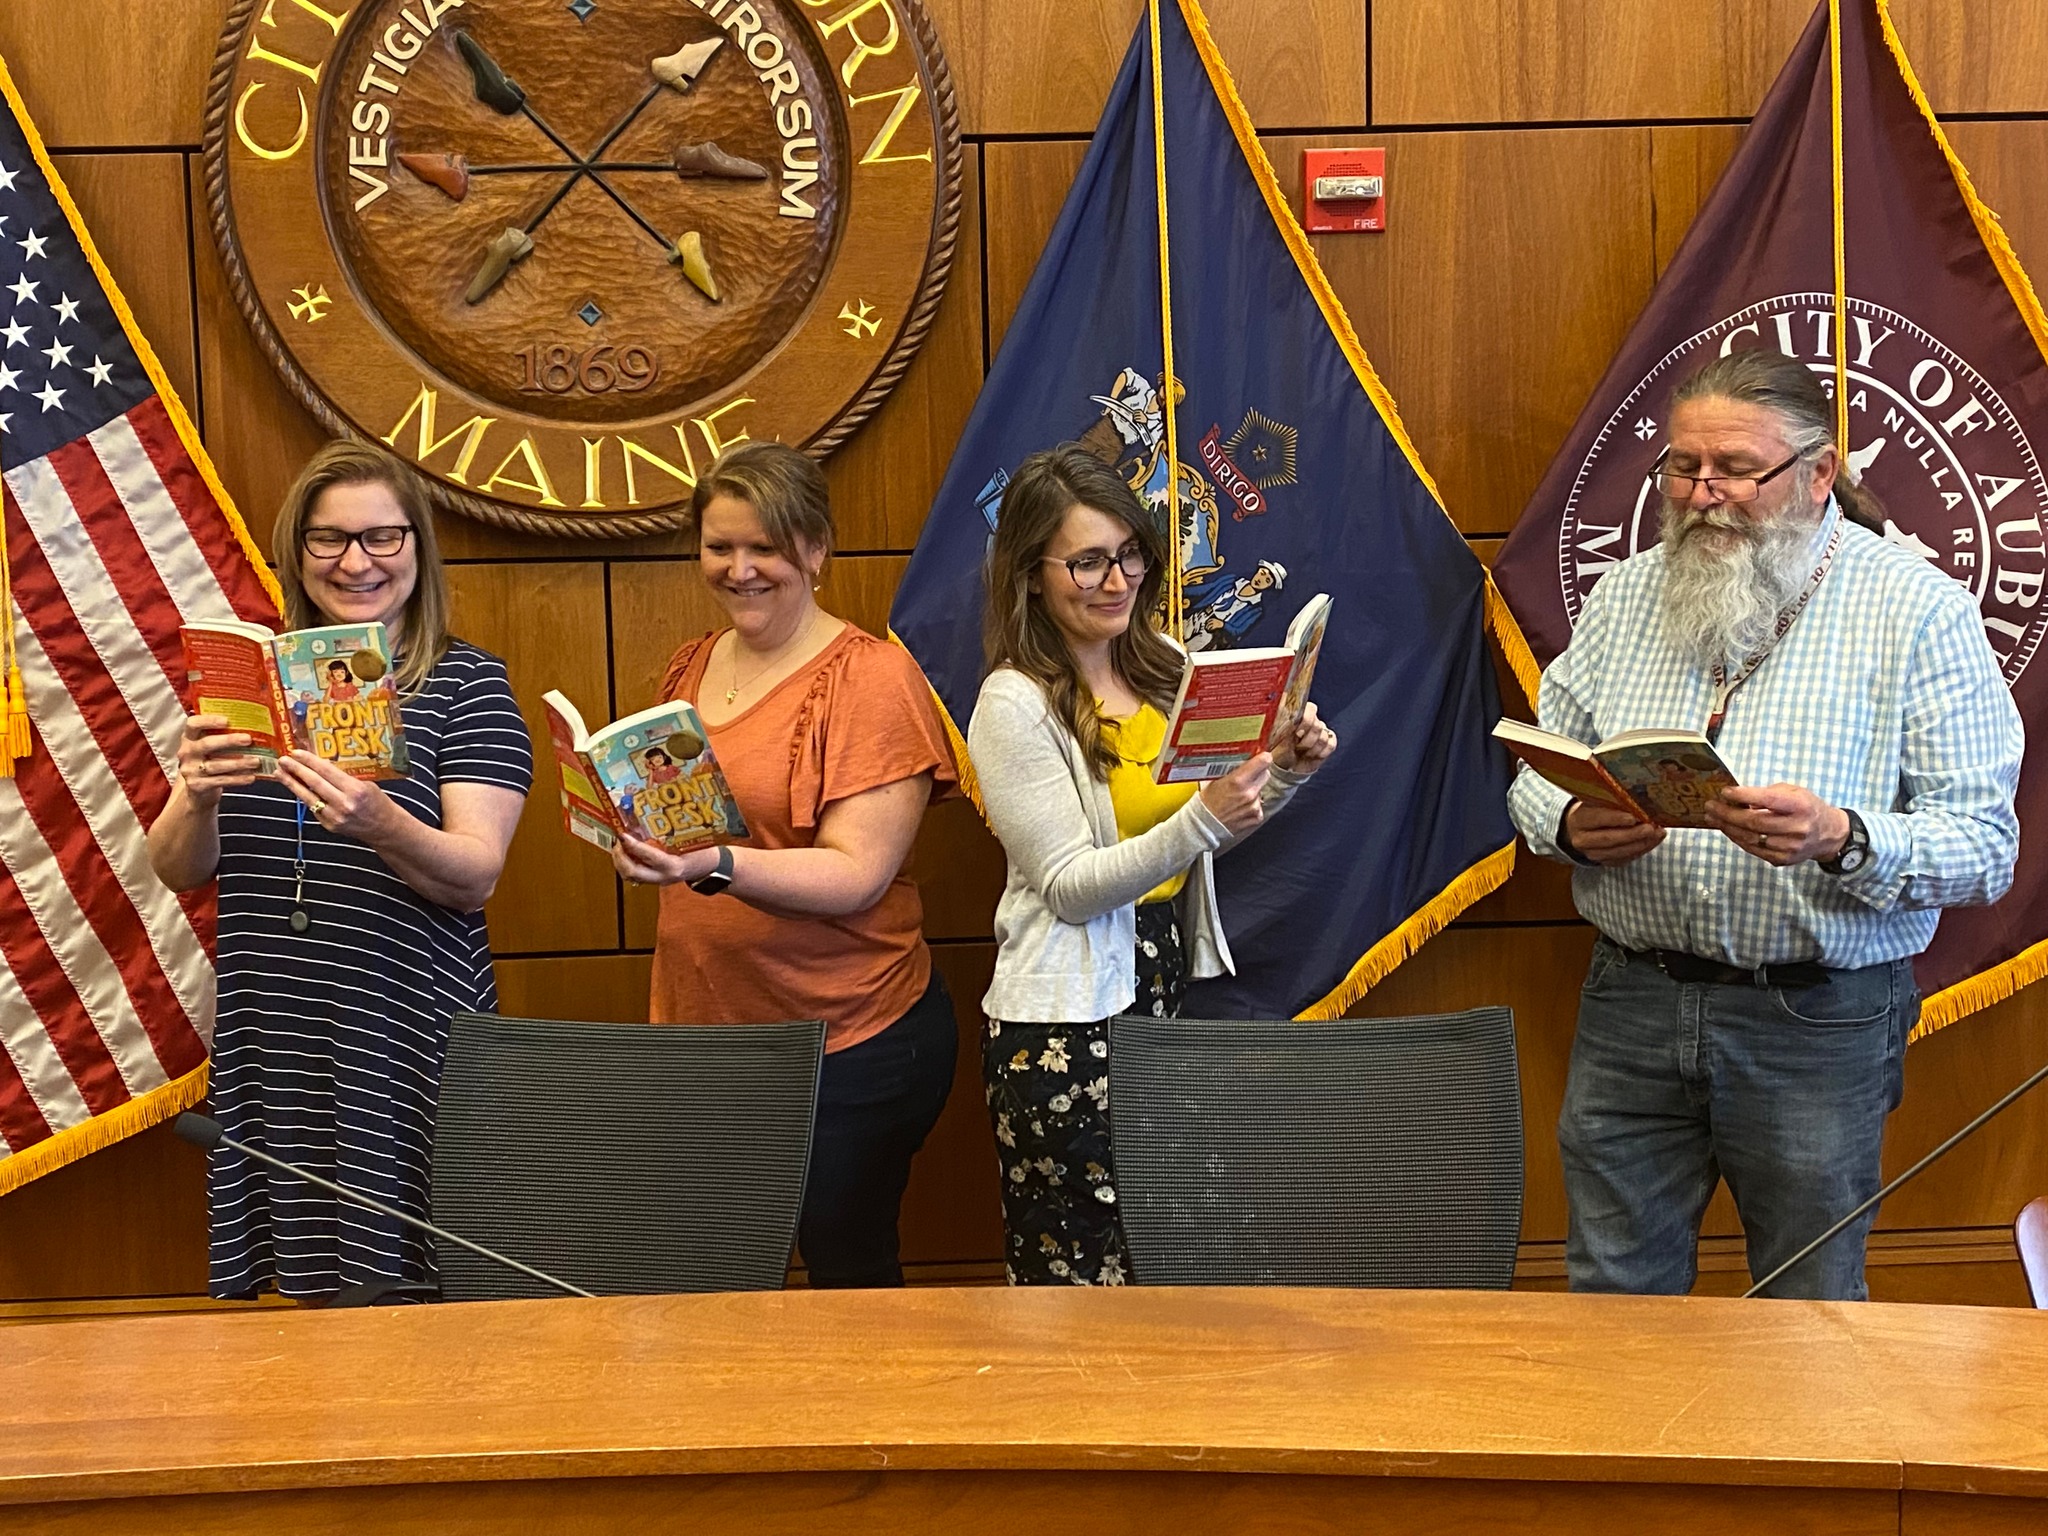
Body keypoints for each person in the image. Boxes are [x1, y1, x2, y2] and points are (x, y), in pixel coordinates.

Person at [1506, 348, 2023, 1301]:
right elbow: (1533, 770)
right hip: (1634, 1001)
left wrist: (1843, 837)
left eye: (1737, 469)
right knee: (1613, 1298)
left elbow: (1988, 848)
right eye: (1682, 466)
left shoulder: (1917, 610)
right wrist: (1572, 823)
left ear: (1818, 474)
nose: (1703, 494)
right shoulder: (1625, 595)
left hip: (1817, 1017)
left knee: (1810, 1312)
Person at [148, 440, 531, 1303]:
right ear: (298, 552)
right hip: (274, 1032)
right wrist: (195, 798)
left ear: (417, 550)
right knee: (303, 1309)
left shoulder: (467, 685)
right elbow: (176, 868)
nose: (356, 563)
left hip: (404, 1034)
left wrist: (379, 822)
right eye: (329, 540)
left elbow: (475, 876)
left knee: (420, 1298)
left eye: (382, 538)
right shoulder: (249, 685)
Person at [969, 444, 1338, 1286]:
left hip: (1157, 977)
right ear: (1031, 575)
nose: (1116, 580)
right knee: (1083, 1272)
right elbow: (1068, 889)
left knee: (1165, 1257)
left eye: (1130, 554)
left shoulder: (1166, 668)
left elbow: (1210, 827)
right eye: (1087, 561)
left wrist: (1282, 771)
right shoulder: (1014, 702)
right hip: (1059, 1018)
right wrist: (1203, 822)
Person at [612, 441, 959, 1289]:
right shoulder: (692, 663)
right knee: (714, 1283)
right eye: (719, 547)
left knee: (847, 1279)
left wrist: (711, 863)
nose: (739, 570)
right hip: (707, 1041)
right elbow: (682, 821)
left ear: (814, 549)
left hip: (847, 1041)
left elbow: (856, 874)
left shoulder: (873, 680)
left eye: (764, 547)